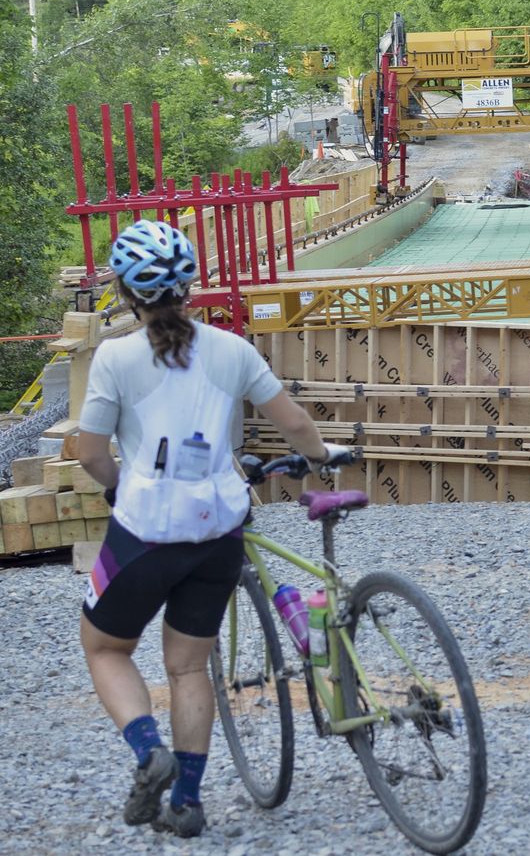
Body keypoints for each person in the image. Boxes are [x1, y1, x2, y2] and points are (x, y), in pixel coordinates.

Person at [77, 219, 347, 838]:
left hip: (142, 535)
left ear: (125, 290)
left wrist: (118, 484)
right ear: (190, 285)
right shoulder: (232, 349)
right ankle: (189, 804)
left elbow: (92, 453)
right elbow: (299, 423)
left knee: (106, 647)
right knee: (189, 669)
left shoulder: (116, 357)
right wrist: (316, 465)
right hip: (219, 533)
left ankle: (150, 752)